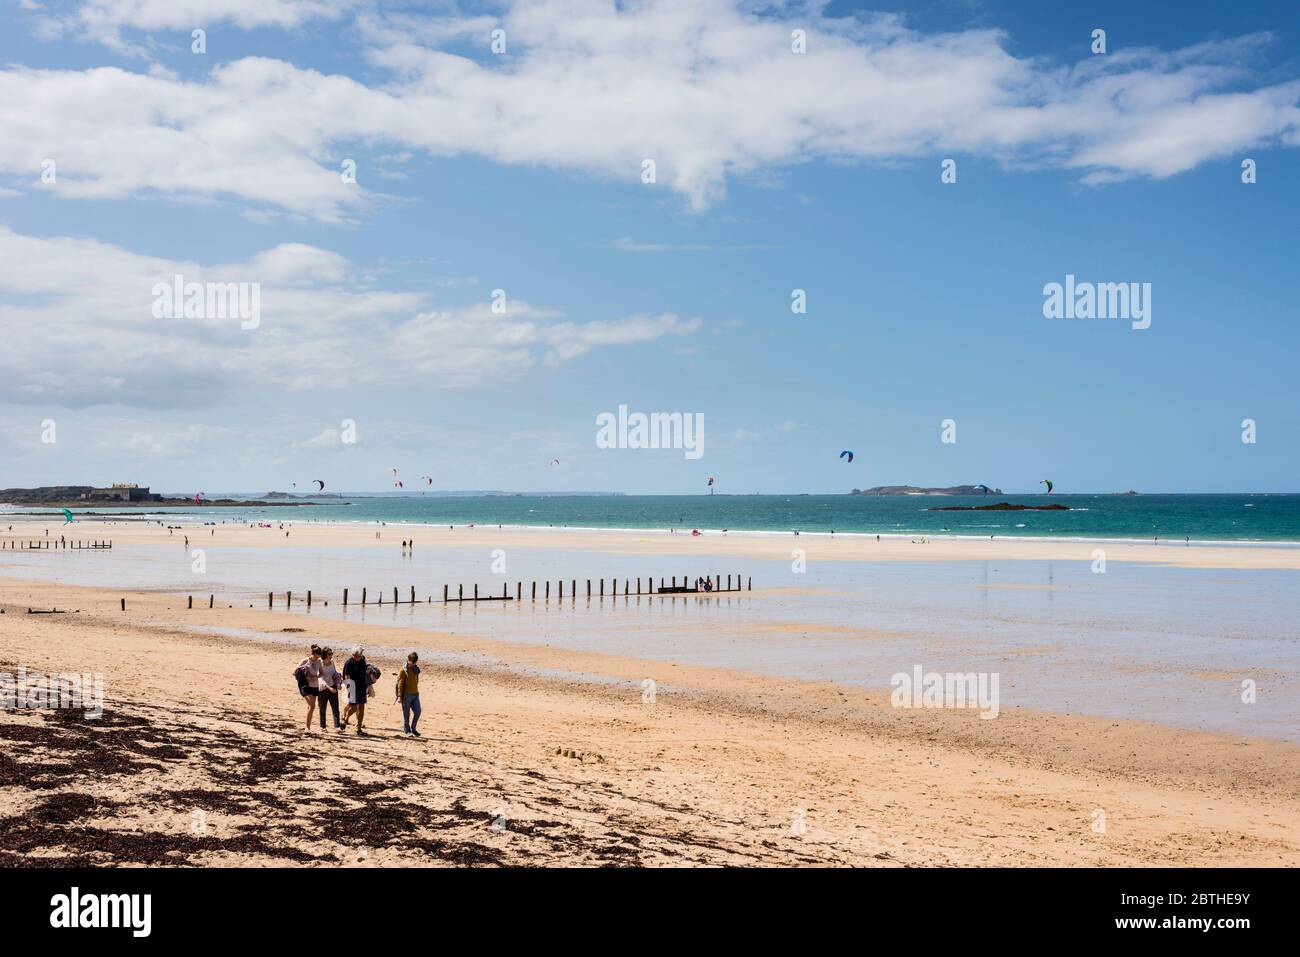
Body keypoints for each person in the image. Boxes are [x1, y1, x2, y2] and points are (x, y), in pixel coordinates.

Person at [341, 646, 369, 735]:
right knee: (353, 707)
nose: (360, 656)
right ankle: (345, 719)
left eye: (361, 654)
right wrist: (349, 690)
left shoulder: (362, 660)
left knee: (361, 707)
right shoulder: (349, 663)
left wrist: (369, 685)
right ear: (354, 654)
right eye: (358, 655)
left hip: (362, 687)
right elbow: (347, 677)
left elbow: (365, 673)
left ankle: (358, 728)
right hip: (353, 687)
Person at [295, 645, 324, 732]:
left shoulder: (319, 662)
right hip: (305, 685)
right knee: (312, 705)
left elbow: (322, 673)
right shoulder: (305, 661)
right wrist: (306, 676)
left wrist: (316, 677)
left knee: (311, 707)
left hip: (315, 686)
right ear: (313, 653)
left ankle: (307, 727)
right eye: (317, 654)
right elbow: (295, 672)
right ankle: (307, 728)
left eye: (319, 655)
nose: (318, 656)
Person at [396, 652, 422, 738]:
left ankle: (413, 728)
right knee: (406, 715)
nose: (414, 664)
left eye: (415, 663)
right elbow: (399, 684)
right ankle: (407, 731)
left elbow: (416, 679)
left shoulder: (415, 668)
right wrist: (399, 697)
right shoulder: (403, 670)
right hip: (406, 695)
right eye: (412, 662)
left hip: (415, 694)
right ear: (409, 660)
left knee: (418, 712)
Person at [318, 648, 342, 731]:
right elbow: (320, 679)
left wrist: (338, 684)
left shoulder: (332, 663)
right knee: (322, 708)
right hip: (323, 689)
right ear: (324, 655)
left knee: (335, 708)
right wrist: (329, 688)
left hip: (333, 687)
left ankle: (337, 726)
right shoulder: (320, 664)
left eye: (332, 653)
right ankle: (323, 727)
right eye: (329, 654)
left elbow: (335, 674)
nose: (331, 655)